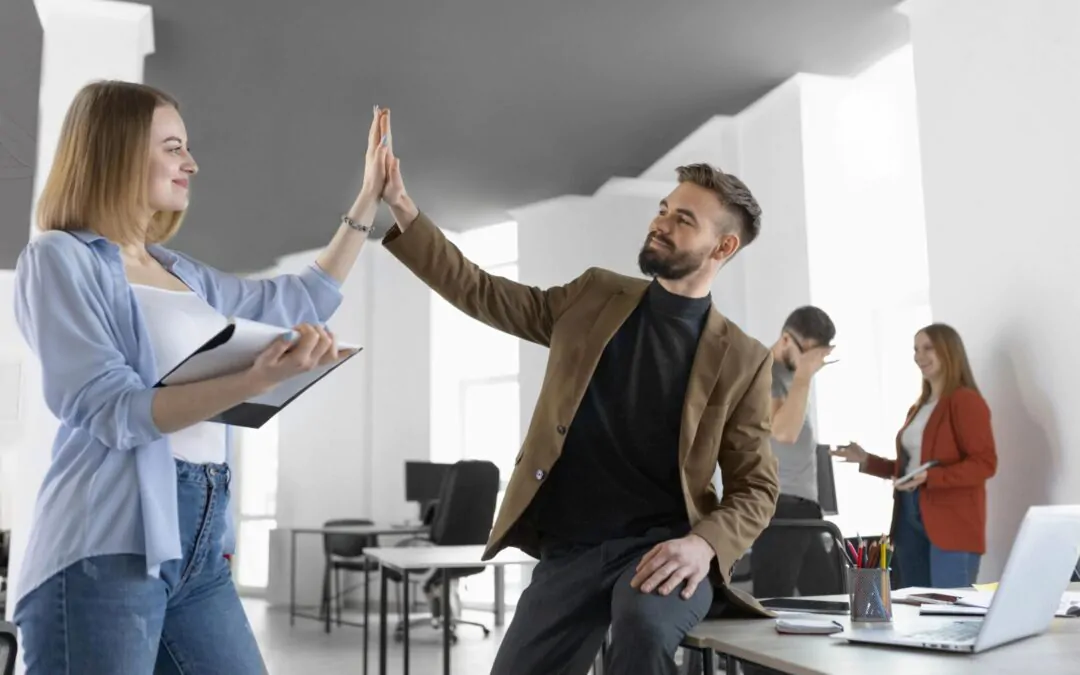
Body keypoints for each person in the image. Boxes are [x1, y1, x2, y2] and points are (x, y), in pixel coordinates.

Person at [375, 120, 780, 674]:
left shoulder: (744, 359)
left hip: (662, 549)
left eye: (683, 220)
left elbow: (755, 487)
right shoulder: (595, 296)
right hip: (572, 550)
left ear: (724, 246)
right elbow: (484, 292)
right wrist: (401, 207)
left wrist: (704, 546)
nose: (660, 223)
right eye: (663, 209)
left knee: (640, 625)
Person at [12, 80, 387, 673]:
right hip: (106, 551)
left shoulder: (181, 272)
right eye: (171, 147)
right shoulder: (60, 258)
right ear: (118, 150)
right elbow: (112, 409)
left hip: (201, 551)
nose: (191, 162)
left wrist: (368, 201)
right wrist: (251, 381)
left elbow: (299, 299)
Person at [832, 323, 997, 588]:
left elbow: (985, 464)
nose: (919, 356)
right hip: (909, 513)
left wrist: (931, 478)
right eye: (915, 349)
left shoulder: (965, 401)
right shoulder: (918, 407)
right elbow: (911, 468)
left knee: (950, 609)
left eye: (927, 348)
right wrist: (866, 460)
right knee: (916, 605)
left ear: (949, 351)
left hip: (952, 519)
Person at [750, 306, 841, 598]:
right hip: (779, 506)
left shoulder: (791, 375)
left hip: (803, 507)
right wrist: (805, 375)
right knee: (775, 602)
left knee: (832, 598)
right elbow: (783, 432)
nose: (814, 365)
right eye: (810, 355)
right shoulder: (764, 370)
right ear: (787, 340)